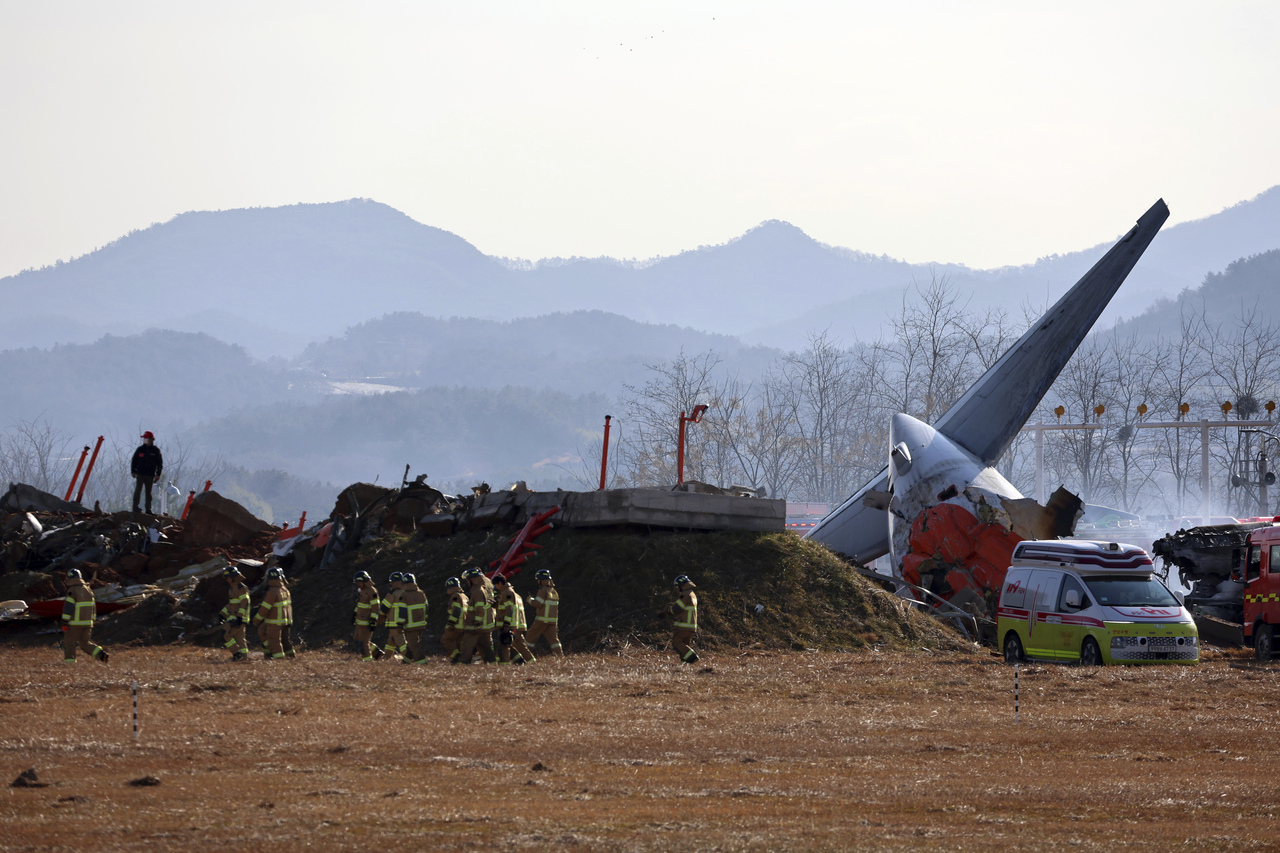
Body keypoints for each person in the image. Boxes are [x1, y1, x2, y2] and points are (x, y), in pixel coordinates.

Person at [60, 568, 108, 664]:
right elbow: (93, 608)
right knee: (85, 643)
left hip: (75, 623)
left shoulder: (72, 591)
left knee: (69, 642)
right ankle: (101, 655)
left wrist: (65, 621)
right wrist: (93, 620)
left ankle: (70, 663)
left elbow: (68, 608)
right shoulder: (89, 590)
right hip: (88, 623)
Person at [252, 567, 292, 660]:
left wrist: (256, 619)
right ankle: (288, 656)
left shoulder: (272, 592)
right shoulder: (284, 589)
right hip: (285, 619)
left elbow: (265, 608)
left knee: (274, 640)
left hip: (274, 621)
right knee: (264, 632)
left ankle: (279, 659)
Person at [493, 574, 533, 665]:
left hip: (509, 625)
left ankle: (505, 666)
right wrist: (495, 605)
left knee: (505, 646)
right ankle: (528, 662)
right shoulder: (510, 593)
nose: (496, 587)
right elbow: (505, 608)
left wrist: (506, 625)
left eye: (496, 585)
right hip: (514, 625)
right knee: (519, 645)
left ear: (500, 583)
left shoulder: (507, 593)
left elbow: (509, 610)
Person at [458, 568, 496, 664]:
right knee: (486, 648)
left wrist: (477, 623)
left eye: (468, 580)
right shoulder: (484, 589)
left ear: (473, 580)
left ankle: (462, 665)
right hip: (485, 625)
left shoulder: (477, 592)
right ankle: (493, 665)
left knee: (466, 646)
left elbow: (480, 610)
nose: (467, 583)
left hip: (474, 627)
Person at [524, 569, 563, 658]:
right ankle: (560, 657)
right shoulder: (554, 592)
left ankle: (525, 656)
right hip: (552, 622)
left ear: (541, 580)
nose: (538, 581)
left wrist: (529, 599)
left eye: (538, 579)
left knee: (530, 637)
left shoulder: (543, 590)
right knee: (554, 641)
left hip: (541, 620)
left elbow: (538, 603)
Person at [220, 567, 251, 661]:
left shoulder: (241, 588)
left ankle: (237, 654)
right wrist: (222, 614)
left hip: (237, 618)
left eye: (228, 577)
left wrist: (240, 617)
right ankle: (245, 658)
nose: (227, 580)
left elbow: (244, 602)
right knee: (240, 639)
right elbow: (231, 604)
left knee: (225, 634)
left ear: (233, 576)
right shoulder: (233, 589)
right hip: (236, 617)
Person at [667, 575, 700, 664]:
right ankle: (685, 663)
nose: (677, 589)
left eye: (677, 586)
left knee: (676, 642)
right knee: (685, 645)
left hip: (684, 625)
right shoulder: (692, 594)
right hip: (691, 625)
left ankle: (693, 657)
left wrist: (667, 611)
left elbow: (677, 608)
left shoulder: (685, 595)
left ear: (682, 584)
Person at [130, 431, 163, 515]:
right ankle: (135, 507)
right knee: (138, 490)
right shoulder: (140, 449)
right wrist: (133, 471)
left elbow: (159, 463)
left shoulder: (155, 450)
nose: (145, 440)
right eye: (144, 438)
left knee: (148, 492)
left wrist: (158, 474)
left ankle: (148, 509)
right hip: (140, 473)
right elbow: (134, 460)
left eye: (146, 438)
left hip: (150, 474)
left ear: (151, 439)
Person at [352, 571, 383, 661]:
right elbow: (360, 604)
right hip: (359, 621)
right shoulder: (362, 591)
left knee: (363, 642)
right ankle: (377, 653)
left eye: (359, 582)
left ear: (364, 581)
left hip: (366, 622)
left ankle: (367, 661)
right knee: (356, 640)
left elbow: (375, 608)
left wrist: (373, 621)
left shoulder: (372, 592)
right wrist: (355, 613)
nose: (358, 584)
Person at [399, 573, 428, 664]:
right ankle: (405, 662)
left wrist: (400, 624)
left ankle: (422, 663)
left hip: (410, 626)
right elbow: (426, 608)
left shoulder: (404, 595)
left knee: (414, 645)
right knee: (411, 645)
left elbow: (402, 611)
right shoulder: (421, 593)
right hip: (421, 624)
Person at [377, 572, 407, 660]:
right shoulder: (405, 592)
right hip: (403, 622)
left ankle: (409, 657)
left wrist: (380, 616)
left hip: (394, 622)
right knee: (391, 641)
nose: (391, 584)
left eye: (392, 582)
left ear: (397, 582)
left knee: (401, 642)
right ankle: (386, 658)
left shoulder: (393, 593)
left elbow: (384, 607)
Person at [441, 576, 469, 664]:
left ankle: (455, 657)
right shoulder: (464, 596)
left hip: (456, 625)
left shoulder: (455, 596)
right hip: (463, 625)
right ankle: (460, 660)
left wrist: (451, 623)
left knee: (445, 640)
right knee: (459, 644)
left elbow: (456, 610)